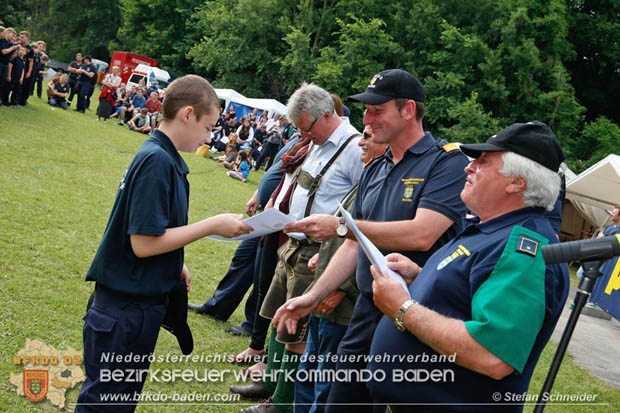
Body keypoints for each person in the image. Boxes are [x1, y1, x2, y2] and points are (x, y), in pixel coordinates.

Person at [272, 69, 469, 412]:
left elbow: (423, 234)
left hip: (415, 314)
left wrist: (341, 227)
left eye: (377, 110)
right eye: (365, 110)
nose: (366, 118)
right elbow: (353, 245)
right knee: (341, 401)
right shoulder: (376, 168)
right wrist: (311, 296)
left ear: (409, 110)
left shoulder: (446, 163)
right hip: (367, 309)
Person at [74, 74, 253, 412]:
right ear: (187, 114)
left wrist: (174, 262)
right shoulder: (158, 161)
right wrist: (210, 225)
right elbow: (142, 243)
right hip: (124, 312)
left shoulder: (161, 155)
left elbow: (150, 229)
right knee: (105, 404)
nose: (209, 137)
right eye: (208, 127)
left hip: (133, 306)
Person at [366, 121, 569, 412]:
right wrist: (422, 281)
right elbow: (473, 296)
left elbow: (493, 355)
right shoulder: (494, 228)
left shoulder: (523, 246)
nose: (468, 167)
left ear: (517, 182)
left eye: (483, 162)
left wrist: (403, 308)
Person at [237, 83, 363, 413]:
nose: (302, 135)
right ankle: (271, 382)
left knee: (298, 331)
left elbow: (358, 208)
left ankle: (281, 403)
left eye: (305, 128)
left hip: (318, 253)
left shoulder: (354, 148)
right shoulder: (318, 142)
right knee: (280, 315)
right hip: (292, 246)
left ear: (326, 115)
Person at [294, 125, 387, 413]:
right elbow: (345, 236)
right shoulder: (368, 179)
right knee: (307, 373)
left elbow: (376, 249)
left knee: (325, 382)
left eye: (369, 136)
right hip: (324, 291)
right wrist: (321, 258)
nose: (361, 141)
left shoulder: (385, 187)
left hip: (343, 305)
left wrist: (343, 290)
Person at [0, 27, 19, 106]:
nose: (13, 37)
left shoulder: (9, 43)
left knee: (2, 83)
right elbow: (4, 52)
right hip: (0, 63)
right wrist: (13, 48)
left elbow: (12, 56)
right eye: (12, 35)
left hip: (6, 64)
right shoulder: (2, 41)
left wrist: (16, 50)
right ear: (7, 33)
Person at [17, 31, 34, 106]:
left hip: (25, 68)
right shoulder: (18, 46)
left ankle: (21, 100)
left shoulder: (30, 50)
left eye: (22, 37)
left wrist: (29, 72)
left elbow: (31, 61)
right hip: (16, 66)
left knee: (23, 85)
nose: (21, 38)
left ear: (27, 38)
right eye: (20, 37)